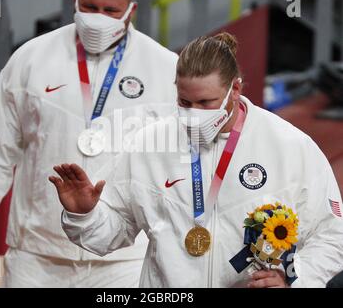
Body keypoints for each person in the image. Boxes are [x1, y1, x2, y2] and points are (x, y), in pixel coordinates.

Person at [51, 33, 343, 288]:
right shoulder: (149, 144)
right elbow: (111, 235)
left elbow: (332, 235)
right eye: (184, 102)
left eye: (206, 103)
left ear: (235, 89)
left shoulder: (289, 146)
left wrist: (294, 279)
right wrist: (84, 215)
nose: (194, 113)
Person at [0, 0, 178, 287]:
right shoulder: (31, 59)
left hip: (125, 259)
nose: (98, 19)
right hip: (36, 256)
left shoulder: (165, 69)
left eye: (110, 11)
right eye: (90, 7)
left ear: (131, 11)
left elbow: (180, 165)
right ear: (74, 1)